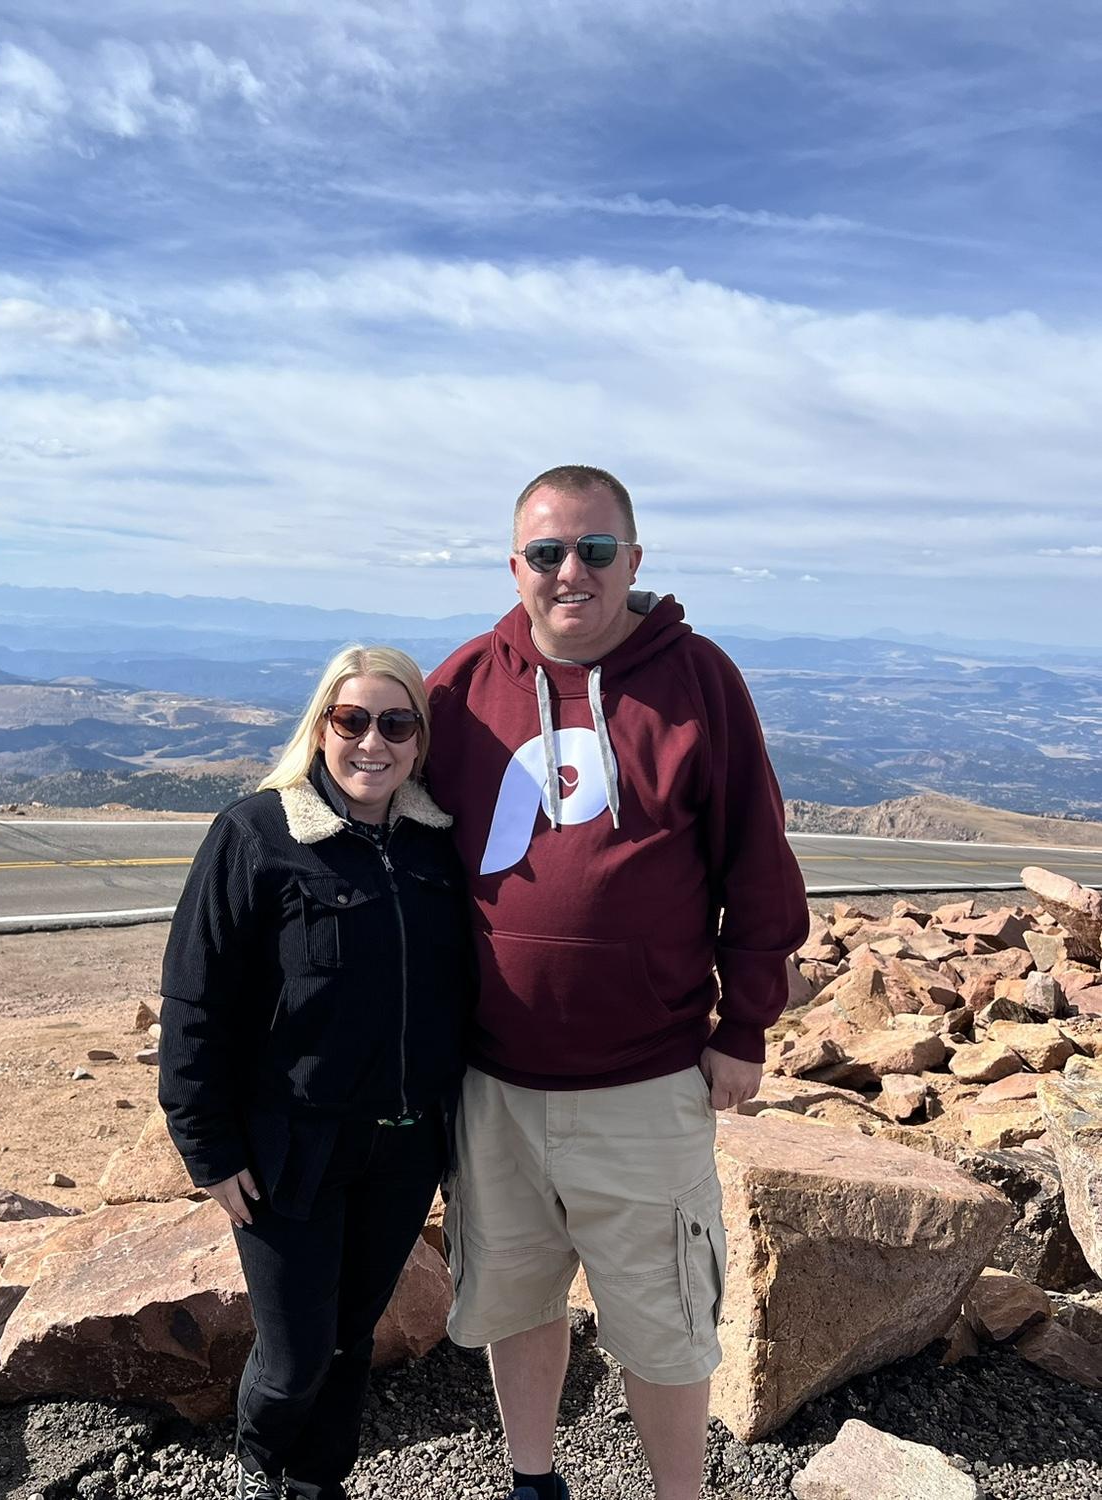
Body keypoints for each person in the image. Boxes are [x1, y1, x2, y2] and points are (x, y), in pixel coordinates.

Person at [423, 465, 809, 1500]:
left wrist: (746, 1028)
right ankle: (531, 1478)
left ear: (633, 561)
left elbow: (757, 865)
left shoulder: (698, 680)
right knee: (512, 1295)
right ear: (516, 567)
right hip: (493, 1083)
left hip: (646, 1080)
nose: (571, 572)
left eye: (595, 550)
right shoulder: (463, 685)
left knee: (665, 1319)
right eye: (548, 553)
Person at [158, 645, 471, 1500]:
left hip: (403, 1150)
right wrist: (208, 1150)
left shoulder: (436, 845)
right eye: (353, 720)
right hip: (291, 1148)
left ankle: (319, 1483)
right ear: (322, 727)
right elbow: (195, 1000)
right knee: (295, 1356)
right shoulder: (257, 831)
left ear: (418, 739)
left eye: (396, 723)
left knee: (350, 1340)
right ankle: (260, 1468)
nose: (374, 741)